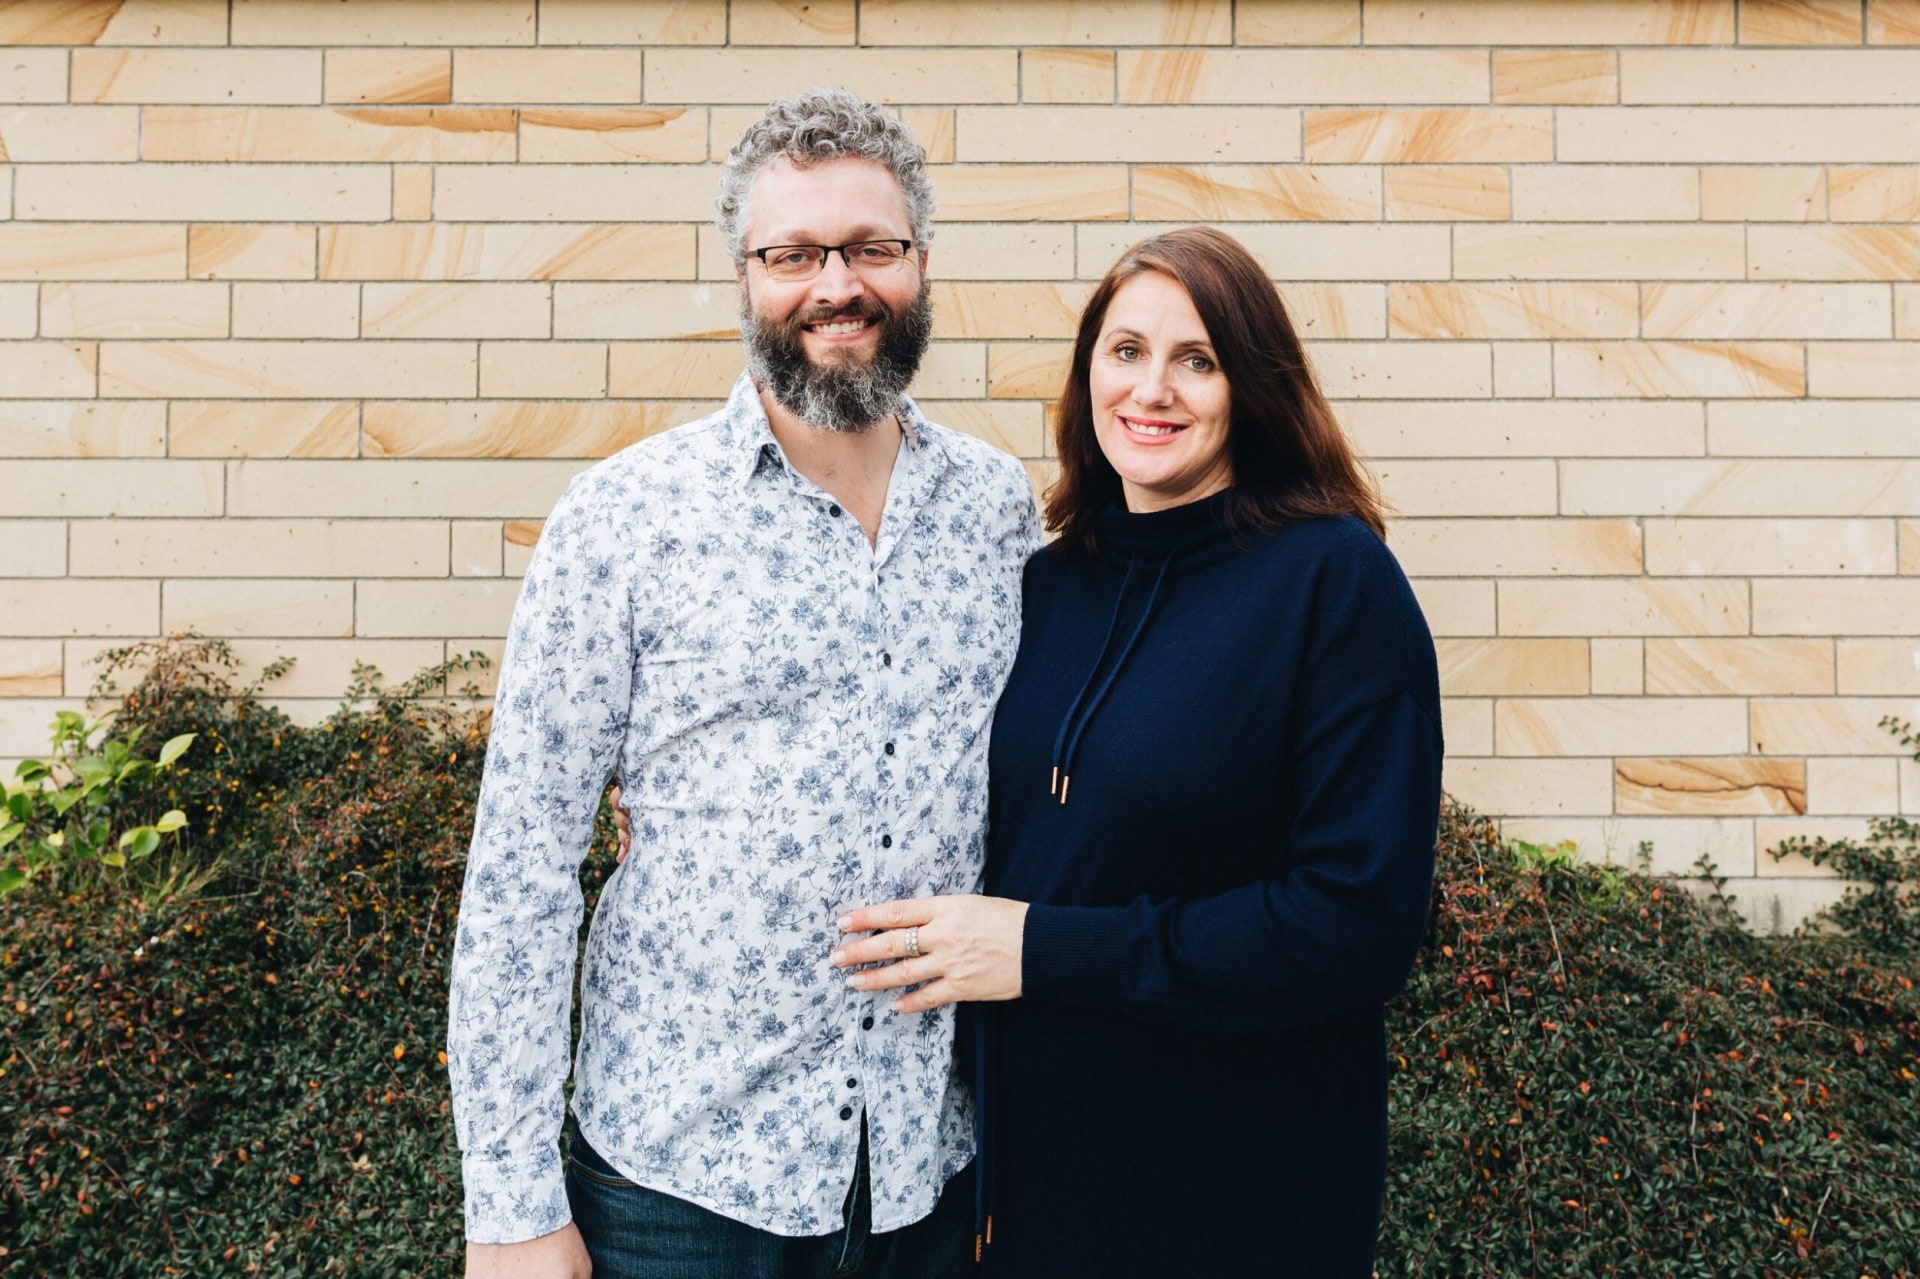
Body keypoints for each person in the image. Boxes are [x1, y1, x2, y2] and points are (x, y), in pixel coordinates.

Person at [447, 88, 1038, 1279]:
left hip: (929, 1168)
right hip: (682, 1187)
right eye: (795, 253)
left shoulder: (998, 509)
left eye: (873, 247)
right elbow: (521, 867)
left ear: (921, 263)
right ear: (744, 276)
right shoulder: (622, 520)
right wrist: (510, 1203)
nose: (837, 284)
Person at [830, 226, 1445, 1276]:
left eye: (1195, 359)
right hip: (1026, 1204)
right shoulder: (1051, 584)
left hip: (1236, 1199)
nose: (1152, 389)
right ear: (1086, 377)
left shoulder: (1333, 583)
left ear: (1250, 384)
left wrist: (1042, 951)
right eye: (1125, 352)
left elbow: (1358, 925)